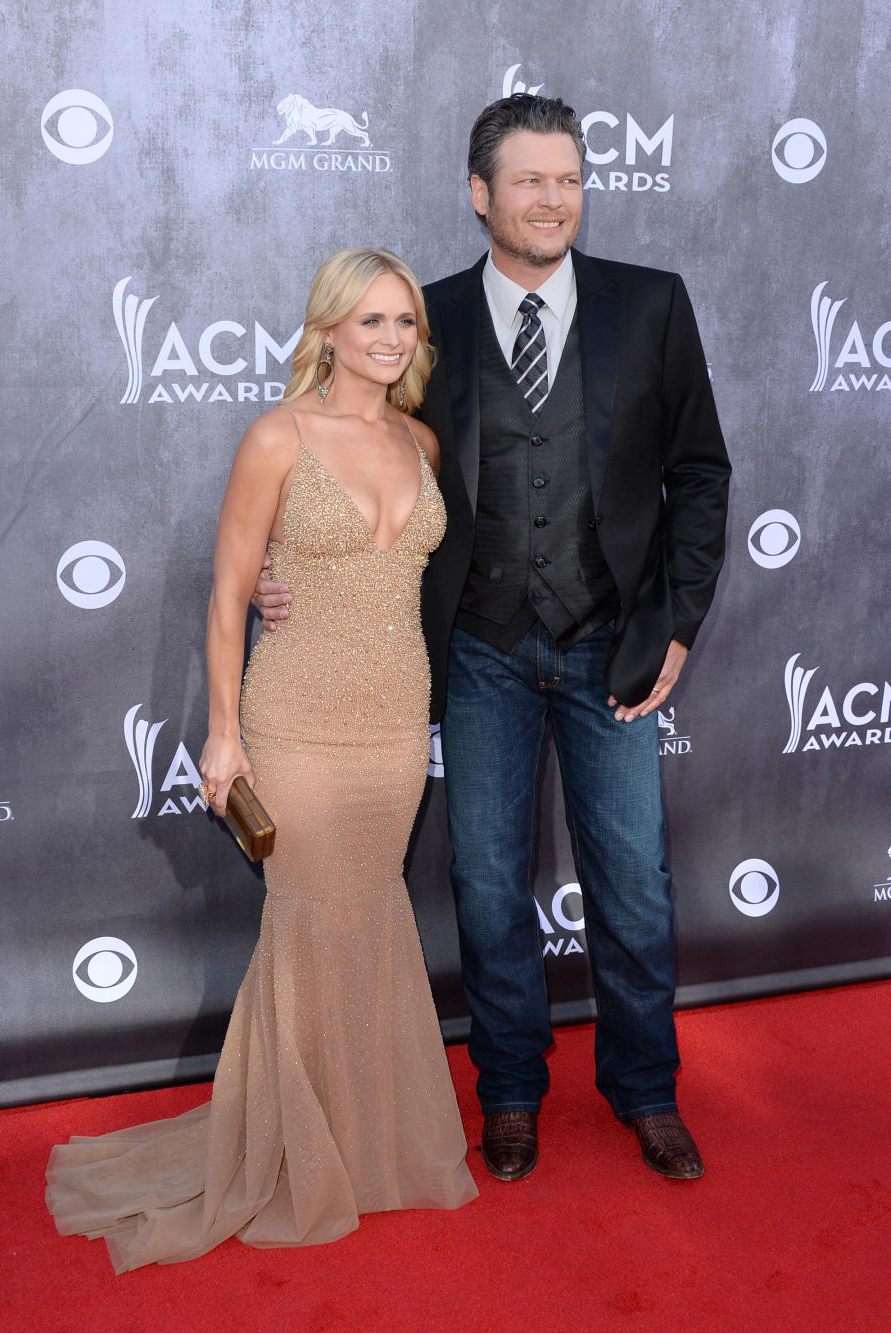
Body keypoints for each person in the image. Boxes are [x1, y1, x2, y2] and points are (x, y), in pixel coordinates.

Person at [256, 96, 731, 1185]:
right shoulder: (421, 321)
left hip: (613, 648)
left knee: (635, 883)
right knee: (483, 880)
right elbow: (345, 458)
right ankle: (511, 1088)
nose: (552, 199)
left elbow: (701, 473)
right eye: (529, 181)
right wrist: (286, 568)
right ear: (482, 195)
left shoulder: (650, 305)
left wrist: (680, 623)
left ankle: (645, 1088)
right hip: (474, 650)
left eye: (567, 179)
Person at [45, 248, 477, 1272]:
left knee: (369, 912)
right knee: (310, 918)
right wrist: (225, 731)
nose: (388, 339)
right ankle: (288, 1147)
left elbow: (433, 576)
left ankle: (361, 1138)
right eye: (368, 321)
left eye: (404, 323)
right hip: (298, 719)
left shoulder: (419, 438)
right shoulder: (278, 437)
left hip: (393, 724)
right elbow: (229, 592)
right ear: (326, 330)